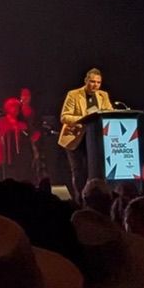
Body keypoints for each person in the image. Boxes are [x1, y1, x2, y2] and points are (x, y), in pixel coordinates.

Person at [60, 68, 113, 202]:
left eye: (98, 82)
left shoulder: (103, 95)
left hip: (95, 139)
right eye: (92, 81)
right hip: (75, 138)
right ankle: (80, 199)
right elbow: (64, 116)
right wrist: (83, 119)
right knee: (79, 171)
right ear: (86, 81)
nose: (95, 85)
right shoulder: (74, 94)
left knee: (94, 170)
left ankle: (95, 197)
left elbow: (109, 113)